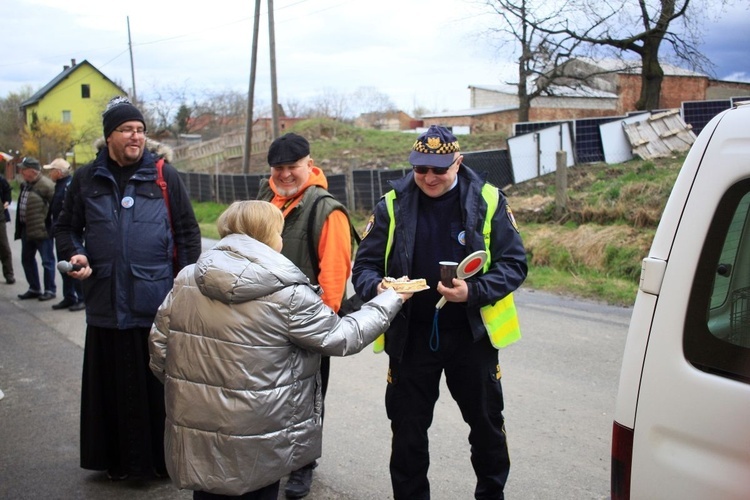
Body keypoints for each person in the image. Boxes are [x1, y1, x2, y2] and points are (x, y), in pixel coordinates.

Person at [148, 200, 410, 500]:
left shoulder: (186, 279)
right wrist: (390, 299)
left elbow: (159, 348)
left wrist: (192, 393)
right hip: (262, 432)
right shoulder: (287, 294)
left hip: (197, 426)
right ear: (269, 235)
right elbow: (342, 337)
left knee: (208, 491)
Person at [351, 125, 528, 499]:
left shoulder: (489, 201)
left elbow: (514, 265)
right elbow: (363, 268)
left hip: (471, 336)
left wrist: (474, 291)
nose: (429, 177)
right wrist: (379, 288)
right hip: (411, 336)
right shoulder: (391, 204)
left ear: (458, 162)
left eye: (439, 169)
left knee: (486, 428)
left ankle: (491, 494)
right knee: (407, 432)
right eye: (421, 169)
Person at [54, 96, 202, 480]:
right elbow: (66, 228)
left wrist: (185, 287)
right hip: (104, 297)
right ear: (109, 136)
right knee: (111, 387)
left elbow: (187, 232)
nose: (136, 137)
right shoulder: (86, 178)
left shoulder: (164, 176)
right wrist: (76, 254)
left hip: (154, 302)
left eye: (140, 130)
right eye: (127, 130)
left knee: (156, 388)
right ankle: (116, 462)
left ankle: (159, 462)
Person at [256, 132, 354, 498]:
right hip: (263, 324)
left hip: (305, 325)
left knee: (306, 403)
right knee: (269, 399)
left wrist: (320, 328)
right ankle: (274, 459)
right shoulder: (265, 199)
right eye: (278, 168)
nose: (284, 174)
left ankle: (302, 466)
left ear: (309, 165)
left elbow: (334, 277)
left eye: (292, 167)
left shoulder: (326, 209)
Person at [43, 158, 84, 311]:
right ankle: (69, 297)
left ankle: (81, 298)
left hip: (70, 234)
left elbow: (73, 212)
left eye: (52, 170)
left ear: (59, 173)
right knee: (64, 267)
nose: (49, 173)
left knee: (73, 265)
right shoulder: (60, 186)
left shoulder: (68, 186)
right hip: (60, 232)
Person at [14, 156, 56, 300]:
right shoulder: (26, 184)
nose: (21, 172)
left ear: (32, 171)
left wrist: (51, 227)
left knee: (47, 261)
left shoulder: (47, 186)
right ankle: (34, 288)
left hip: (42, 230)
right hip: (27, 229)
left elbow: (56, 209)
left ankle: (50, 290)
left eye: (23, 170)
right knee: (27, 259)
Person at [0, 173, 14, 284]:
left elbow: (7, 190)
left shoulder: (0, 179)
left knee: (4, 246)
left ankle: (9, 274)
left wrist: (7, 201)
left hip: (0, 217)